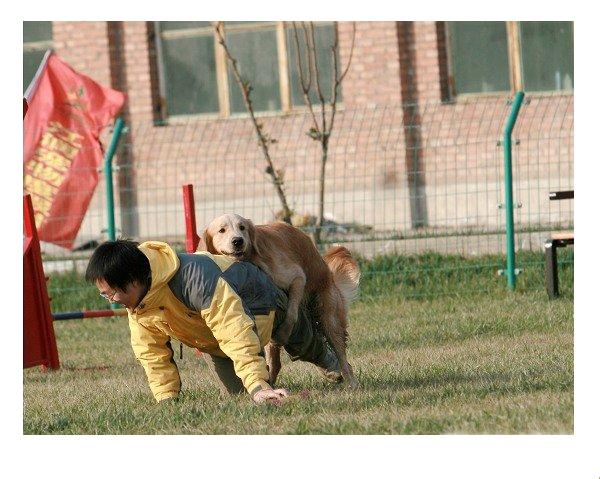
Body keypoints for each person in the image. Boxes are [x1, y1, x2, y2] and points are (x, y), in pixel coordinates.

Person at [85, 239, 341, 406]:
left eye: (110, 293)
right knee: (241, 397)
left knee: (298, 339)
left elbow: (233, 327)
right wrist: (167, 399)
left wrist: (257, 383)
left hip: (260, 302)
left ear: (132, 280)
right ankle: (267, 388)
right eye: (104, 294)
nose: (110, 300)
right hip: (214, 340)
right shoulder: (138, 304)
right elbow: (151, 354)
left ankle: (331, 361)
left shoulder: (194, 277)